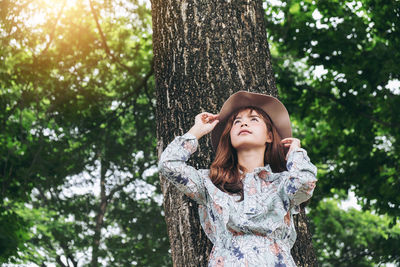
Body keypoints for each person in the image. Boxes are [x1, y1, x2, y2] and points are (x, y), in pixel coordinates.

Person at [158, 91, 317, 267]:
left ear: (269, 136)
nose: (244, 123)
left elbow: (305, 182)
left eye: (254, 119)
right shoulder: (210, 182)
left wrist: (295, 152)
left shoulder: (283, 183)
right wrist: (197, 131)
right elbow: (168, 165)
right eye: (237, 121)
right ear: (230, 135)